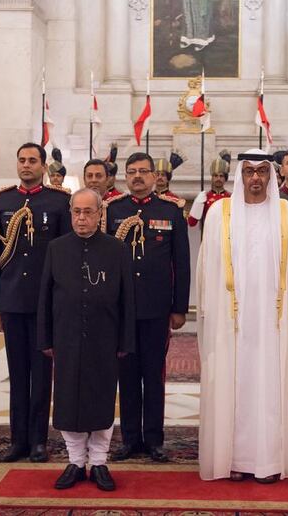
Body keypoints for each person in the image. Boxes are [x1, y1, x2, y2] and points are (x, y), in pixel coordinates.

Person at [196, 148, 288, 483]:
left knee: (270, 387)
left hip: (274, 323)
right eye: (250, 172)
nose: (256, 178)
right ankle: (233, 458)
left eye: (262, 171)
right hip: (232, 321)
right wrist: (209, 311)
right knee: (235, 385)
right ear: (240, 175)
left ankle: (270, 461)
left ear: (271, 175)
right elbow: (207, 267)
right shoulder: (220, 213)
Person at [38, 188, 136, 491]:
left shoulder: (116, 249)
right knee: (68, 399)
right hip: (66, 337)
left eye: (88, 212)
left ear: (99, 214)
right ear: (71, 213)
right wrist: (45, 337)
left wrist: (125, 340)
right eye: (77, 212)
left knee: (101, 399)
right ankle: (76, 462)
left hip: (104, 338)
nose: (82, 218)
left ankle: (100, 461)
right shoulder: (56, 248)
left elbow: (127, 300)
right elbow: (45, 297)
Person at [0, 142, 71, 463]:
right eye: (21, 160)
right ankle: (17, 440)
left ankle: (39, 441)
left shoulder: (59, 202)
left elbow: (64, 259)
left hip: (44, 303)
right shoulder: (0, 202)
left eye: (32, 161)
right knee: (17, 374)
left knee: (41, 373)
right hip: (12, 301)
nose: (26, 166)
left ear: (43, 166)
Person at [104, 152, 190, 462]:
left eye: (143, 171)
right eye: (132, 172)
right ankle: (129, 439)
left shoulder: (170, 211)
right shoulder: (112, 211)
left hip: (156, 309)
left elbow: (181, 263)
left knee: (153, 376)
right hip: (121, 310)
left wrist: (179, 307)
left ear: (155, 177)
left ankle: (154, 440)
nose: (138, 176)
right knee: (126, 375)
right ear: (125, 177)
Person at [188, 151, 231, 231]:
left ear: (225, 179)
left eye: (221, 176)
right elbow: (191, 223)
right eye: (215, 176)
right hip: (208, 236)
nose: (218, 179)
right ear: (211, 178)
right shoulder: (205, 197)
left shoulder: (230, 197)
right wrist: (198, 204)